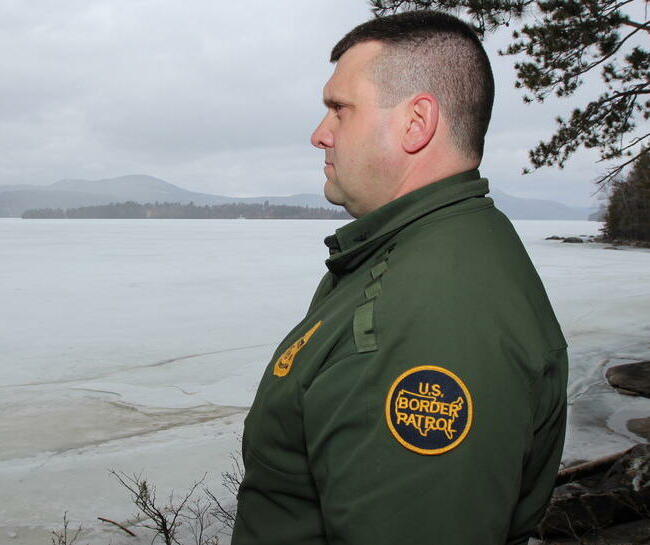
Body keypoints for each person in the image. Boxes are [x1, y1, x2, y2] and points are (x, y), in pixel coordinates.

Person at [231, 10, 568, 545]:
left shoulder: (430, 317)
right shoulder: (431, 250)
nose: (320, 135)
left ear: (416, 122)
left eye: (340, 110)